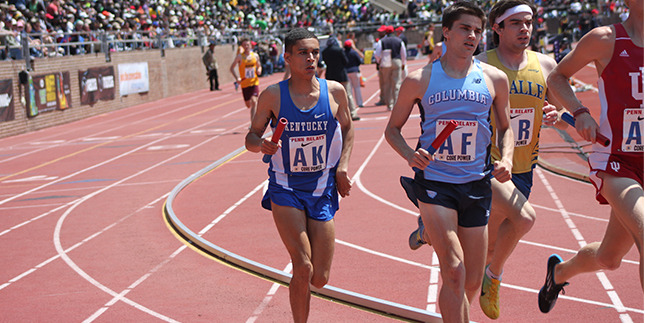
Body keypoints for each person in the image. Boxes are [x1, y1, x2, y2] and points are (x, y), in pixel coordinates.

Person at [384, 2, 514, 321]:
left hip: (477, 184)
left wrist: (507, 157)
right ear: (446, 32)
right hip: (435, 185)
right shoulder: (420, 79)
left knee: (470, 280)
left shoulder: (494, 79)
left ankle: (427, 235)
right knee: (454, 271)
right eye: (464, 28)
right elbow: (392, 130)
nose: (472, 36)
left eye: (477, 31)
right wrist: (409, 154)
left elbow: (506, 128)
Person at [538, 0, 643, 313]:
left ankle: (558, 273)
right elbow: (556, 77)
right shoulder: (606, 39)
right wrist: (579, 111)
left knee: (610, 258)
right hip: (617, 161)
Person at [244, 27, 355, 323]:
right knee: (302, 266)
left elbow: (347, 128)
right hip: (285, 188)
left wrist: (342, 166)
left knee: (320, 278)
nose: (311, 58)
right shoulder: (272, 96)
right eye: (303, 53)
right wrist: (261, 144)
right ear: (288, 58)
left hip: (322, 188)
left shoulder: (334, 91)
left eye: (315, 52)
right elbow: (250, 137)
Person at [322, 35, 360, 121]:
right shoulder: (339, 50)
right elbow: (345, 61)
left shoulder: (325, 51)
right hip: (341, 75)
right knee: (348, 94)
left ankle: (333, 114)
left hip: (330, 75)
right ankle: (353, 113)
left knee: (331, 96)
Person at [374, 25, 406, 111]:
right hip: (397, 61)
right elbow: (403, 53)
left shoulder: (382, 41)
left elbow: (377, 54)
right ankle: (397, 104)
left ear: (386, 32)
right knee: (396, 84)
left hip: (385, 63)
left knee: (387, 84)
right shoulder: (399, 40)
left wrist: (379, 61)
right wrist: (403, 63)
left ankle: (389, 105)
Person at [230, 38, 262, 123]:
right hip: (244, 84)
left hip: (254, 82)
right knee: (248, 105)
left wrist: (259, 70)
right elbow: (231, 68)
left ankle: (253, 124)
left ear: (251, 45)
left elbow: (259, 66)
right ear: (242, 46)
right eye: (245, 45)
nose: (247, 46)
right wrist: (237, 78)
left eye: (248, 45)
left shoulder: (255, 56)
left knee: (254, 101)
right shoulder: (240, 57)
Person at [344, 39, 364, 108]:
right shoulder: (354, 52)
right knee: (357, 87)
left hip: (347, 72)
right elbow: (359, 61)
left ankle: (351, 104)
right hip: (355, 71)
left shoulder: (343, 53)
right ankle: (360, 103)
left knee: (349, 90)